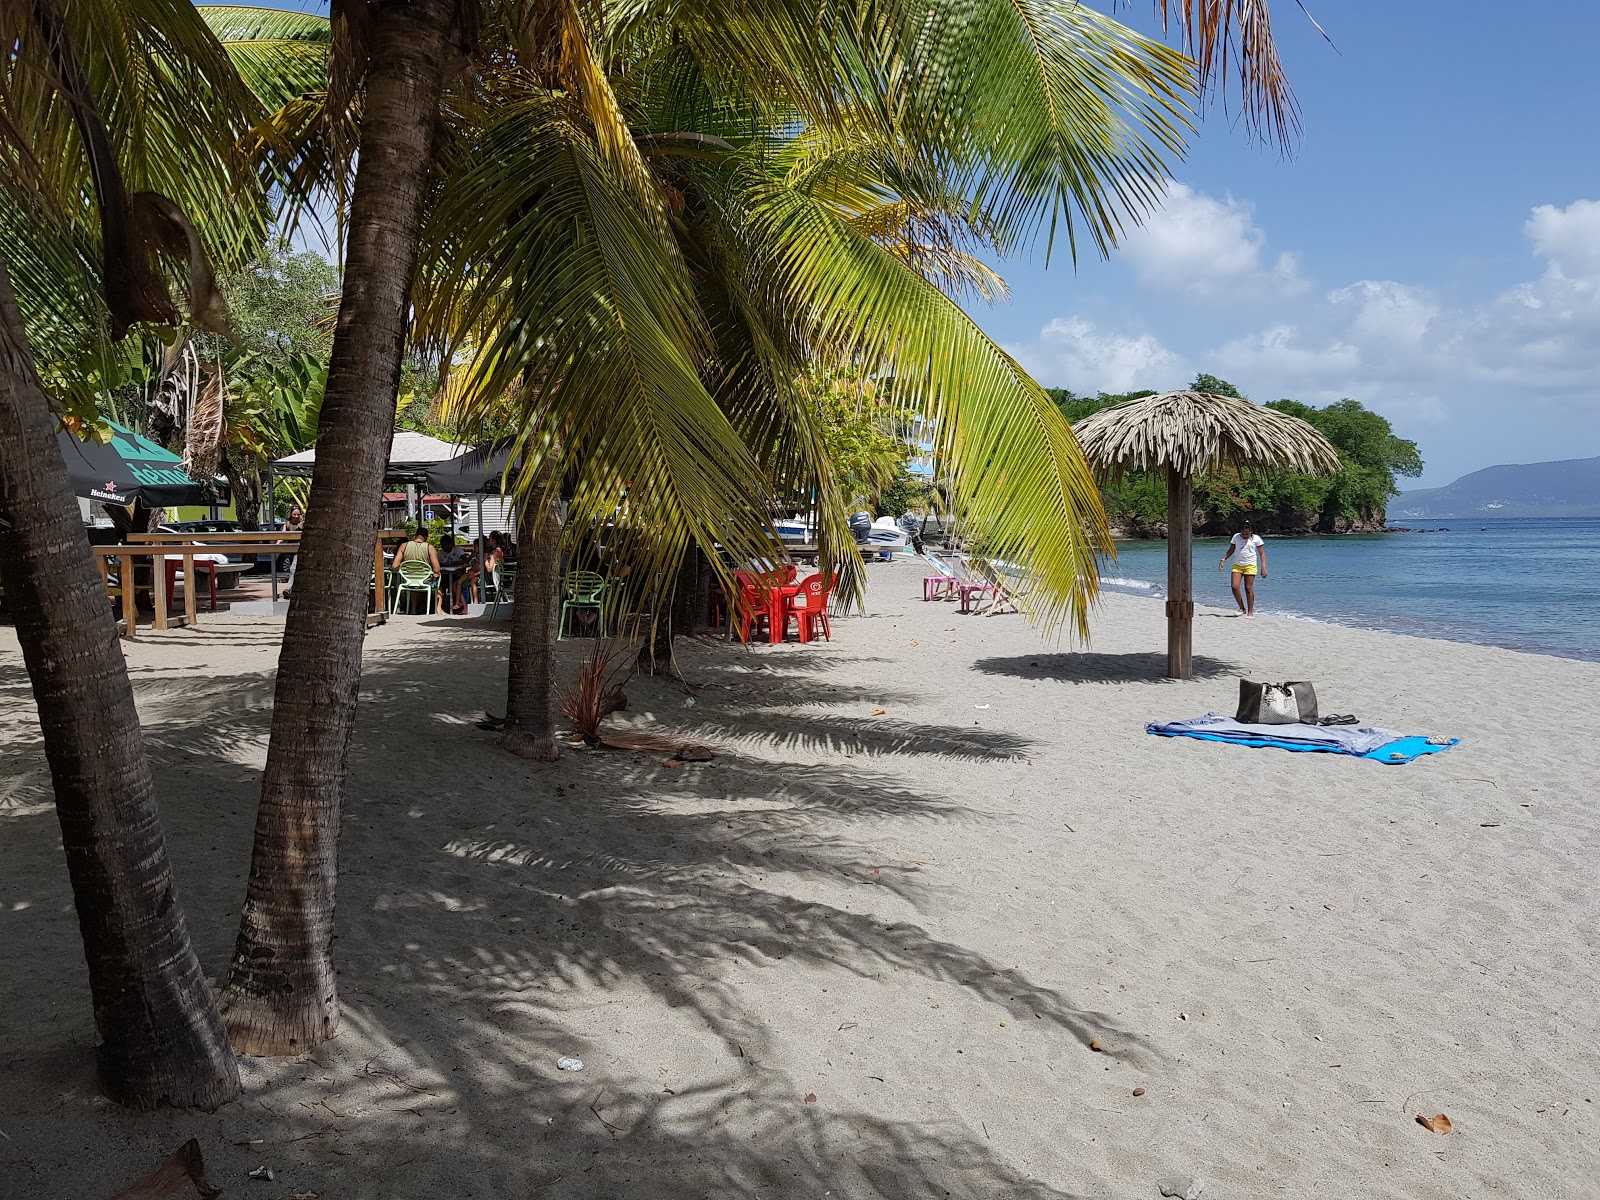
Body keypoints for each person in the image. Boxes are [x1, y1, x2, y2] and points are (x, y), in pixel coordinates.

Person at [1219, 520, 1267, 616]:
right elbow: (1231, 549)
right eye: (1243, 533)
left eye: (1247, 534)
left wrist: (1264, 568)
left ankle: (1250, 611)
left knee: (1248, 588)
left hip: (1250, 565)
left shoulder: (1256, 539)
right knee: (1234, 586)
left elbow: (1262, 554)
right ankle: (1241, 607)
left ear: (1251, 531)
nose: (1245, 536)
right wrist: (1223, 560)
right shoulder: (1236, 537)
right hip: (1237, 565)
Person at [391, 528, 441, 610]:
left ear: (415, 535)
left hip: (409, 579)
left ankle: (413, 609)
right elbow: (437, 569)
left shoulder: (404, 546)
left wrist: (406, 567)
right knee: (436, 580)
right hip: (424, 580)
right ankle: (431, 607)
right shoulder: (429, 547)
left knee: (414, 581)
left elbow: (395, 566)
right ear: (426, 537)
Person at [438, 533, 469, 614]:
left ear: (450, 544)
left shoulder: (457, 550)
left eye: (444, 545)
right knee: (440, 585)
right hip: (445, 574)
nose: (443, 547)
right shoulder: (441, 554)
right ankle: (439, 606)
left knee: (454, 584)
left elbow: (465, 560)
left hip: (458, 574)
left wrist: (454, 562)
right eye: (442, 545)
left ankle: (459, 604)